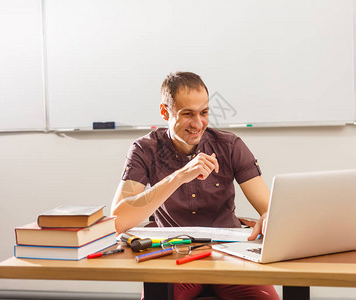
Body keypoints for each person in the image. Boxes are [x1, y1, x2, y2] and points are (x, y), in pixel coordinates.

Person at [111, 71, 279, 300]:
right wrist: (179, 176)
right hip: (174, 255)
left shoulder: (230, 146)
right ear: (164, 112)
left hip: (228, 254)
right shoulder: (144, 150)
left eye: (204, 112)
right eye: (188, 114)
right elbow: (119, 220)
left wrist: (269, 216)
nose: (198, 123)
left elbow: (269, 209)